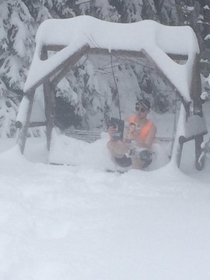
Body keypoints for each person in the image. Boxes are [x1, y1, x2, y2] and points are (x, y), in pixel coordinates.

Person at [107, 99, 157, 170]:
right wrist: (112, 134)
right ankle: (115, 165)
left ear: (148, 111)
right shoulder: (127, 120)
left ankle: (134, 177)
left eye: (142, 110)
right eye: (137, 108)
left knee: (136, 156)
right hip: (125, 152)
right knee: (110, 144)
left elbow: (148, 145)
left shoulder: (151, 127)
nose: (139, 111)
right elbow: (118, 138)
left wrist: (141, 142)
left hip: (140, 154)